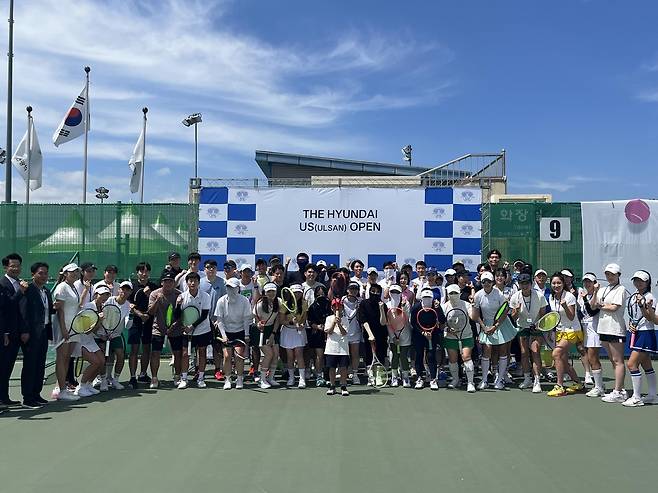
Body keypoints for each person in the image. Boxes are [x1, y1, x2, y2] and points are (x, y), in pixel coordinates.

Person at [591, 263, 628, 403]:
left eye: (612, 274)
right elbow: (593, 304)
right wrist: (595, 292)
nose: (610, 276)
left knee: (618, 361)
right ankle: (621, 389)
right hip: (603, 328)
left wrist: (601, 306)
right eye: (607, 274)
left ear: (618, 275)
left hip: (615, 329)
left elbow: (613, 308)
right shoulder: (603, 289)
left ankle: (618, 391)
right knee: (613, 360)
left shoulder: (621, 289)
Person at [17, 262, 52, 408]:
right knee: (30, 365)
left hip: (43, 333)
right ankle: (28, 398)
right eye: (40, 273)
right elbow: (23, 312)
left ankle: (37, 394)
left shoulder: (46, 291)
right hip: (31, 334)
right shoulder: (28, 290)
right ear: (33, 275)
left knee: (40, 364)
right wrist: (24, 331)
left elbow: (47, 311)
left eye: (45, 273)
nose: (43, 276)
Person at [473, 271, 516, 390]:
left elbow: (505, 311)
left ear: (492, 282)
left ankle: (499, 380)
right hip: (486, 324)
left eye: (489, 281)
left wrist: (495, 326)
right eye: (483, 281)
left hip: (501, 324)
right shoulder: (478, 295)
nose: (486, 283)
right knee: (486, 351)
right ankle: (484, 380)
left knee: (503, 351)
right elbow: (475, 315)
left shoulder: (499, 294)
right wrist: (484, 327)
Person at [546, 273, 585, 397]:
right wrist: (550, 330)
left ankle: (560, 386)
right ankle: (578, 383)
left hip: (572, 330)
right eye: (554, 283)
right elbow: (554, 317)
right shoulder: (551, 298)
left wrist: (564, 305)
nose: (556, 285)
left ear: (563, 284)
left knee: (556, 354)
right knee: (562, 360)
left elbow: (571, 316)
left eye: (559, 283)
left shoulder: (569, 297)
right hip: (559, 331)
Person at [623, 270, 657, 406]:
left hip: (646, 334)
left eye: (641, 280)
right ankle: (653, 396)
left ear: (647, 282)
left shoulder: (650, 297)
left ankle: (636, 397)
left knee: (631, 364)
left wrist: (643, 306)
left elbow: (651, 318)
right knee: (646, 364)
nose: (638, 283)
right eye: (636, 280)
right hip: (637, 333)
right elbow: (633, 316)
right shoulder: (634, 297)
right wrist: (631, 325)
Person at [51, 263, 84, 401]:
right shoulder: (62, 287)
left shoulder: (74, 287)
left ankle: (62, 388)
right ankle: (62, 390)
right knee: (62, 358)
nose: (75, 274)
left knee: (67, 359)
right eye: (72, 272)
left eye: (77, 272)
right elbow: (60, 310)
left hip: (74, 328)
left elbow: (76, 305)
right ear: (65, 274)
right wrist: (64, 329)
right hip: (64, 328)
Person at [510, 273, 547, 393]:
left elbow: (543, 314)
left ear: (531, 284)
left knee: (535, 352)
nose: (524, 286)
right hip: (522, 327)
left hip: (536, 327)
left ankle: (537, 381)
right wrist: (517, 311)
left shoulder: (539, 296)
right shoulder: (515, 297)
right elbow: (514, 318)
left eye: (527, 283)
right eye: (522, 283)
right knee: (524, 353)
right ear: (519, 285)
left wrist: (539, 326)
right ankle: (527, 379)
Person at [0, 253, 29, 407]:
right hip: (7, 333)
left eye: (18, 266)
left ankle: (5, 397)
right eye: (12, 266)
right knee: (3, 366)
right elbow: (7, 307)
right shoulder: (3, 283)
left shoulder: (20, 283)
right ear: (6, 267)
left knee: (9, 366)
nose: (16, 268)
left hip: (19, 331)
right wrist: (20, 292)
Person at [214, 277, 252, 390]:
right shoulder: (221, 301)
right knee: (227, 356)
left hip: (240, 331)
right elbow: (219, 320)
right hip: (226, 332)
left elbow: (246, 320)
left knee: (239, 357)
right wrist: (224, 335)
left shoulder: (244, 301)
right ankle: (227, 379)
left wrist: (246, 335)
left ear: (238, 289)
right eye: (228, 287)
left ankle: (239, 379)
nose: (230, 290)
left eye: (233, 288)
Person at [175, 272, 211, 389]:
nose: (192, 283)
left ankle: (200, 378)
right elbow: (177, 315)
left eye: (195, 281)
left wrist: (192, 326)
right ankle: (184, 378)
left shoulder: (206, 296)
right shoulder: (181, 297)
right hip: (187, 331)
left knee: (202, 353)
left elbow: (204, 315)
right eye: (190, 281)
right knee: (185, 354)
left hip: (203, 330)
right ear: (186, 283)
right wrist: (177, 305)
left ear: (199, 283)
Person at [98, 280, 134, 391]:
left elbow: (127, 326)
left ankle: (115, 380)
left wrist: (131, 315)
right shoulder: (108, 300)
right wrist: (103, 332)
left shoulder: (128, 306)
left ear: (130, 292)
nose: (124, 291)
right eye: (123, 289)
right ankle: (103, 380)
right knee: (103, 357)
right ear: (119, 290)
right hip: (102, 334)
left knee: (120, 355)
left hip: (116, 334)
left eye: (127, 290)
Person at [147, 271, 181, 389]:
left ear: (174, 283)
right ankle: (154, 378)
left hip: (175, 329)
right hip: (158, 329)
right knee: (155, 353)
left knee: (177, 353)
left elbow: (181, 315)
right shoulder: (154, 294)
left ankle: (177, 377)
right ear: (162, 283)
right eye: (166, 281)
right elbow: (150, 312)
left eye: (171, 281)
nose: (168, 284)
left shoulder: (179, 295)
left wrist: (174, 326)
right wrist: (157, 301)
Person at [127, 262, 158, 389]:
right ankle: (133, 377)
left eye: (146, 271)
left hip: (149, 322)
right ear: (137, 272)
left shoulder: (154, 287)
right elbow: (129, 305)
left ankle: (143, 374)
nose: (144, 274)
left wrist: (149, 295)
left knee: (146, 348)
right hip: (135, 321)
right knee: (134, 349)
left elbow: (157, 304)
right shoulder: (131, 287)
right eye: (141, 271)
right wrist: (140, 315)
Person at [410, 288, 446, 390]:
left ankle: (433, 379)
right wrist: (422, 332)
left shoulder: (436, 307)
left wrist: (438, 309)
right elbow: (413, 322)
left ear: (432, 298)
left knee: (431, 356)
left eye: (429, 298)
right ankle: (419, 378)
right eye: (425, 297)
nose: (427, 299)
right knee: (419, 356)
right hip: (418, 334)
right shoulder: (416, 308)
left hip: (433, 334)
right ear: (421, 298)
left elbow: (442, 320)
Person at [442, 284, 476, 393]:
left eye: (455, 293)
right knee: (453, 360)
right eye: (451, 293)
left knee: (466, 357)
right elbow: (442, 324)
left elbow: (472, 317)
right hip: (451, 337)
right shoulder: (444, 307)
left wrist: (474, 306)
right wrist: (447, 328)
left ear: (460, 294)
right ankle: (455, 379)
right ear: (447, 295)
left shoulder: (466, 305)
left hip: (466, 335)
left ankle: (470, 382)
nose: (453, 295)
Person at [579, 273, 605, 397]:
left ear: (595, 283)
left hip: (594, 330)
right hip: (585, 330)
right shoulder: (583, 296)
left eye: (590, 282)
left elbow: (592, 311)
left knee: (593, 358)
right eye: (585, 282)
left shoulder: (598, 296)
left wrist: (587, 297)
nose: (587, 284)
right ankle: (599, 385)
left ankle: (599, 387)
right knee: (591, 358)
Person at [278, 284, 308, 388]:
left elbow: (304, 317)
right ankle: (291, 378)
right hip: (288, 331)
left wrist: (302, 324)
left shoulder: (304, 303)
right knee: (290, 356)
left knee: (299, 355)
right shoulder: (284, 304)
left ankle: (302, 379)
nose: (297, 294)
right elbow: (281, 320)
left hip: (299, 331)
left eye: (299, 292)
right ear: (291, 293)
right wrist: (291, 322)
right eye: (295, 292)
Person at [202, 259, 226, 381]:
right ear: (205, 269)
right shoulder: (200, 283)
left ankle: (218, 370)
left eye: (213, 267)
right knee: (201, 347)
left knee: (217, 347)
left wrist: (219, 319)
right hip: (202, 321)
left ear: (216, 269)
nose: (211, 269)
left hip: (217, 321)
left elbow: (225, 301)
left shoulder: (222, 283)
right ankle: (200, 371)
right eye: (208, 267)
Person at [253, 282, 281, 388]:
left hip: (272, 330)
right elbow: (256, 318)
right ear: (265, 292)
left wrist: (273, 333)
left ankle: (271, 378)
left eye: (273, 291)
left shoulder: (278, 302)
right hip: (260, 331)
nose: (271, 293)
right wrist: (258, 324)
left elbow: (277, 319)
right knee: (269, 354)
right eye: (269, 291)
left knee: (276, 354)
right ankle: (262, 379)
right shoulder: (260, 305)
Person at [387, 284, 412, 388]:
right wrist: (393, 337)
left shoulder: (406, 304)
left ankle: (405, 377)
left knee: (403, 356)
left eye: (397, 292)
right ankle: (394, 377)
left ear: (401, 293)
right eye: (393, 292)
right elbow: (388, 324)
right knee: (395, 357)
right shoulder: (387, 305)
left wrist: (404, 307)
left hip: (405, 335)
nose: (395, 294)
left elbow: (407, 319)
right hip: (393, 337)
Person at [306, 284, 331, 387]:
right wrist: (318, 327)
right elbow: (310, 322)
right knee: (319, 356)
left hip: (330, 333)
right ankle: (319, 376)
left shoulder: (329, 305)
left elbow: (334, 316)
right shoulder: (312, 307)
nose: (321, 295)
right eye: (318, 293)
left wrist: (328, 327)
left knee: (329, 356)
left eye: (323, 293)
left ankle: (328, 376)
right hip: (317, 334)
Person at [324, 298, 350, 396]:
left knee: (343, 368)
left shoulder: (346, 319)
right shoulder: (328, 318)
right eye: (335, 307)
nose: (337, 309)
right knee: (331, 368)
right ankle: (332, 386)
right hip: (331, 348)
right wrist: (334, 322)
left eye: (339, 307)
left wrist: (339, 324)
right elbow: (328, 331)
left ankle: (343, 386)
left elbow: (344, 333)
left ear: (342, 308)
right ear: (332, 308)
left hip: (343, 348)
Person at [342, 282, 362, 384]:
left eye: (355, 289)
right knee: (344, 355)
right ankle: (343, 374)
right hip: (343, 332)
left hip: (355, 332)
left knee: (355, 354)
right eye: (351, 288)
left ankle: (355, 375)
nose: (353, 291)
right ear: (347, 290)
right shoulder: (341, 301)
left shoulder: (360, 302)